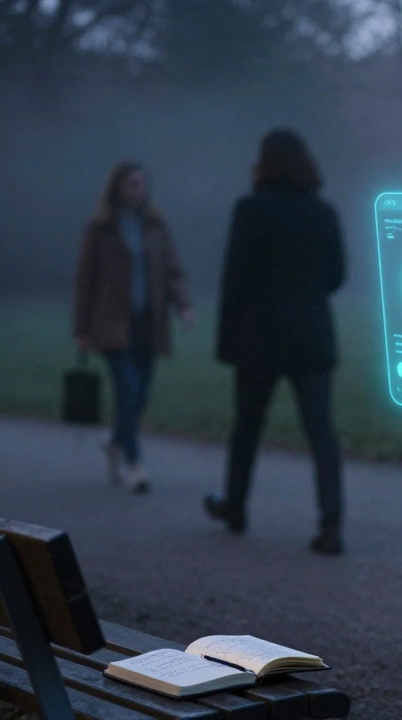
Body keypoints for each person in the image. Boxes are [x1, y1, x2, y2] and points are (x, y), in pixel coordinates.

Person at [204, 129, 347, 555]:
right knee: (321, 431)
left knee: (247, 426)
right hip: (311, 334)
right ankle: (331, 524)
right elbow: (338, 275)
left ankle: (235, 505)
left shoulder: (250, 210)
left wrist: (227, 342)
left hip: (258, 337)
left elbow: (235, 279)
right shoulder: (324, 212)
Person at [73, 161, 194, 493]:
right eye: (131, 184)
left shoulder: (155, 224)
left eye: (142, 184)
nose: (138, 191)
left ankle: (114, 439)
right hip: (111, 322)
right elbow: (86, 280)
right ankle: (135, 464)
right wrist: (81, 328)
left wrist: (183, 304)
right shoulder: (100, 228)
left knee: (140, 394)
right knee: (126, 389)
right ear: (117, 188)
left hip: (147, 321)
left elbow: (173, 269)